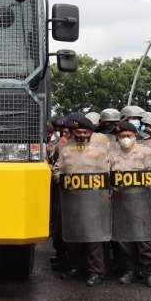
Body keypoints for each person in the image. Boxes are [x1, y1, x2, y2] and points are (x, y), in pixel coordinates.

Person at [53, 114, 112, 286]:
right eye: (77, 132)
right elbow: (57, 170)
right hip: (72, 200)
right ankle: (76, 268)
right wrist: (60, 178)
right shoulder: (66, 150)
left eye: (84, 132)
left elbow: (109, 173)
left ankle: (96, 272)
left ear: (91, 132)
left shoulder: (100, 151)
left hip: (94, 199)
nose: (81, 135)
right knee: (74, 235)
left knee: (93, 237)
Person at [110, 120, 151, 287]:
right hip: (120, 202)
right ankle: (129, 271)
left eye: (128, 136)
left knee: (144, 238)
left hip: (141, 201)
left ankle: (150, 273)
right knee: (124, 238)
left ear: (135, 136)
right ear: (117, 137)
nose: (125, 139)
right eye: (121, 136)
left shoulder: (145, 152)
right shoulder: (111, 154)